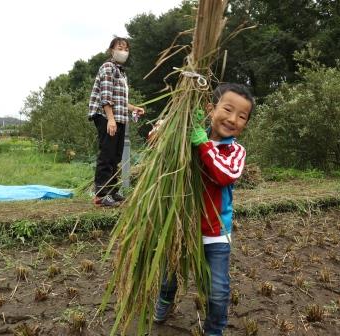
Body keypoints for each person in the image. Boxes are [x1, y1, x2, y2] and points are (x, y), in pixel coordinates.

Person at [153, 83, 255, 336]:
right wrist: (168, 128)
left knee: (218, 290)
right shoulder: (189, 138)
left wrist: (203, 145)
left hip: (215, 231)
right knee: (169, 277)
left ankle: (214, 330)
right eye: (228, 110)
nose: (233, 119)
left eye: (242, 116)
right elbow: (156, 145)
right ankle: (164, 302)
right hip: (180, 225)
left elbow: (224, 175)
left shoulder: (235, 151)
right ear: (211, 109)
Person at [88, 36, 145, 207]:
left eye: (126, 49)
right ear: (112, 50)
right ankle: (101, 194)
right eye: (120, 47)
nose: (123, 51)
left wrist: (134, 108)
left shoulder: (121, 72)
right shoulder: (108, 67)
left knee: (116, 156)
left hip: (118, 117)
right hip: (105, 116)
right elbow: (106, 97)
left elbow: (120, 100)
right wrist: (110, 120)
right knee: (107, 154)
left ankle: (112, 191)